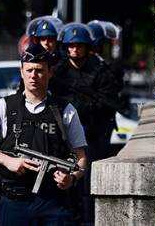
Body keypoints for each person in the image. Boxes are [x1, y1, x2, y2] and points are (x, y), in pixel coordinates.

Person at [0, 42, 88, 226]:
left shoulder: (65, 110)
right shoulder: (4, 106)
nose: (34, 76)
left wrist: (71, 179)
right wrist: (7, 161)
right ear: (22, 72)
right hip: (15, 200)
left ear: (49, 72)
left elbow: (82, 159)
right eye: (29, 70)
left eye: (39, 70)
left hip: (53, 201)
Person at [51, 23, 122, 226]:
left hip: (93, 133)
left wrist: (86, 107)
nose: (75, 50)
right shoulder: (59, 71)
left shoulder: (101, 70)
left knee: (90, 179)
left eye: (79, 46)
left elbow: (107, 102)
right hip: (65, 134)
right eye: (71, 45)